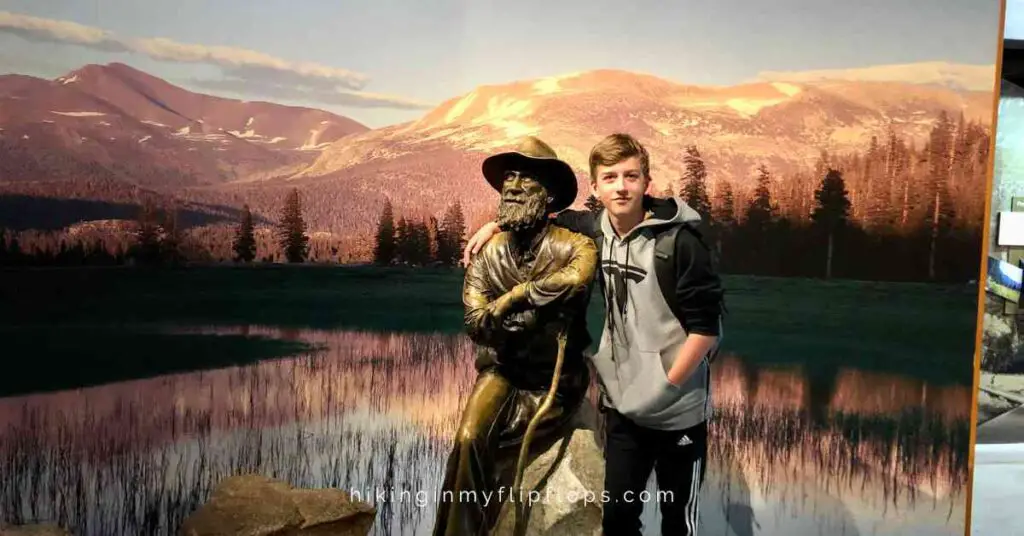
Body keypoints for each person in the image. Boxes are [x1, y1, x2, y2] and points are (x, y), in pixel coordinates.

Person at [462, 133, 724, 535]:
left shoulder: (680, 242)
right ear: (596, 187)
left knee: (678, 523)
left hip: (676, 412)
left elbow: (706, 331)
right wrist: (493, 225)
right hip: (622, 406)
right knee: (618, 519)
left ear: (646, 182)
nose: (621, 187)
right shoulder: (594, 229)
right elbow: (536, 215)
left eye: (631, 176)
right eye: (611, 177)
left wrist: (665, 387)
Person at [432, 136, 598, 536]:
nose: (513, 185)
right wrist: (525, 316)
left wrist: (513, 298)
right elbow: (476, 323)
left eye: (526, 178)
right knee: (471, 437)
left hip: (554, 380)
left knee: (506, 442)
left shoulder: (576, 245)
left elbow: (576, 280)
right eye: (509, 177)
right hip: (502, 371)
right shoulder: (488, 253)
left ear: (549, 193)